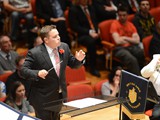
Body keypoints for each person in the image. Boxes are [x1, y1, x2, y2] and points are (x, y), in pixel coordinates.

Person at [20, 25, 86, 120]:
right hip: (42, 97)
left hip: (59, 95)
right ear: (46, 40)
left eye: (58, 35)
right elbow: (23, 71)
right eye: (55, 37)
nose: (58, 37)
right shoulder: (35, 53)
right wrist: (37, 73)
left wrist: (79, 60)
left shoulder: (64, 47)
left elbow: (73, 64)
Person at [69, 0, 101, 77]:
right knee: (91, 42)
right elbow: (75, 27)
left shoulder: (91, 8)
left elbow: (95, 21)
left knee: (104, 39)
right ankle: (93, 68)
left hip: (94, 32)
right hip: (82, 35)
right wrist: (89, 32)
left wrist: (98, 30)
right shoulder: (73, 10)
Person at [110, 5, 144, 75]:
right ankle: (138, 79)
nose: (122, 17)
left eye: (124, 15)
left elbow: (137, 40)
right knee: (132, 60)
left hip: (131, 46)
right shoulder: (114, 24)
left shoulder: (131, 25)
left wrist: (125, 38)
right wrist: (131, 39)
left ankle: (143, 74)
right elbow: (117, 41)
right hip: (119, 49)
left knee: (140, 53)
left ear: (127, 15)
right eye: (120, 15)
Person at [141, 54, 160, 120]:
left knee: (156, 115)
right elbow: (144, 73)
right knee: (131, 106)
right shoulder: (157, 58)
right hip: (149, 94)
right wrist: (155, 61)